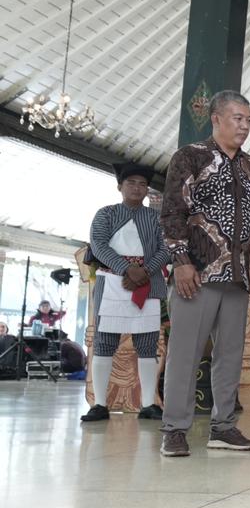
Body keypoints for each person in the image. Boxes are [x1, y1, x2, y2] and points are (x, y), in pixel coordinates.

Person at [159, 90, 250, 457]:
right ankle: (174, 429)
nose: (245, 126)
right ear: (216, 119)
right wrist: (181, 261)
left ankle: (224, 427)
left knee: (230, 356)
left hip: (237, 277)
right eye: (238, 118)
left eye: (248, 119)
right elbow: (173, 211)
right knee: (185, 354)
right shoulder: (190, 156)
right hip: (198, 273)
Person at [81, 161, 170, 422]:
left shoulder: (156, 218)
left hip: (148, 282)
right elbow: (98, 245)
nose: (137, 188)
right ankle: (99, 404)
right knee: (104, 342)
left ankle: (148, 404)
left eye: (142, 184)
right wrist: (127, 269)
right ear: (120, 186)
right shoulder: (106, 214)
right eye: (131, 182)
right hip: (112, 281)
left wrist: (145, 271)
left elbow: (166, 248)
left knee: (148, 344)